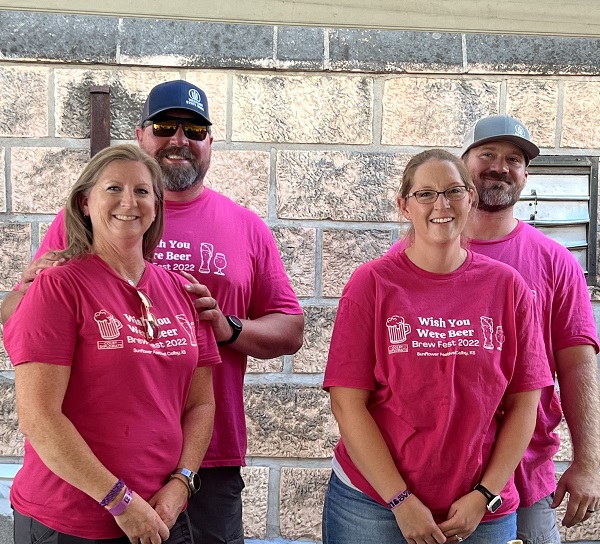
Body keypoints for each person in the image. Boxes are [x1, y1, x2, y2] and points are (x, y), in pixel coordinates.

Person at [0, 80, 304, 544]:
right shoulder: (68, 259)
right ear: (141, 134)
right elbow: (23, 334)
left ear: (209, 143)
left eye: (194, 130)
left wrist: (227, 327)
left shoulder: (242, 230)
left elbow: (290, 329)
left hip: (203, 459)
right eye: (165, 126)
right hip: (86, 485)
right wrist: (25, 291)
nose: (179, 139)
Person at [322, 148, 554, 544]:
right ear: (404, 206)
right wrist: (401, 501)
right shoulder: (372, 284)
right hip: (373, 504)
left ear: (471, 199)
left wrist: (484, 496)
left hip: (480, 507)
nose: (440, 205)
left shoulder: (509, 288)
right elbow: (348, 403)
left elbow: (524, 405)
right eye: (425, 194)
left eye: (453, 191)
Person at [388, 115, 600, 543]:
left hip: (525, 474)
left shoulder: (555, 263)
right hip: (428, 477)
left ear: (525, 176)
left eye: (514, 159)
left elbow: (578, 366)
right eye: (487, 154)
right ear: (462, 167)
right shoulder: (407, 257)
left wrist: (589, 461)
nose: (500, 166)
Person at [2, 144, 221, 544]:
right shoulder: (58, 287)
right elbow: (39, 417)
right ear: (85, 202)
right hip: (72, 520)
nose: (129, 202)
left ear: (156, 205)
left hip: (161, 516)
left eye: (142, 191)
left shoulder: (184, 291)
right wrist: (120, 502)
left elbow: (201, 403)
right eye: (113, 189)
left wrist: (181, 485)